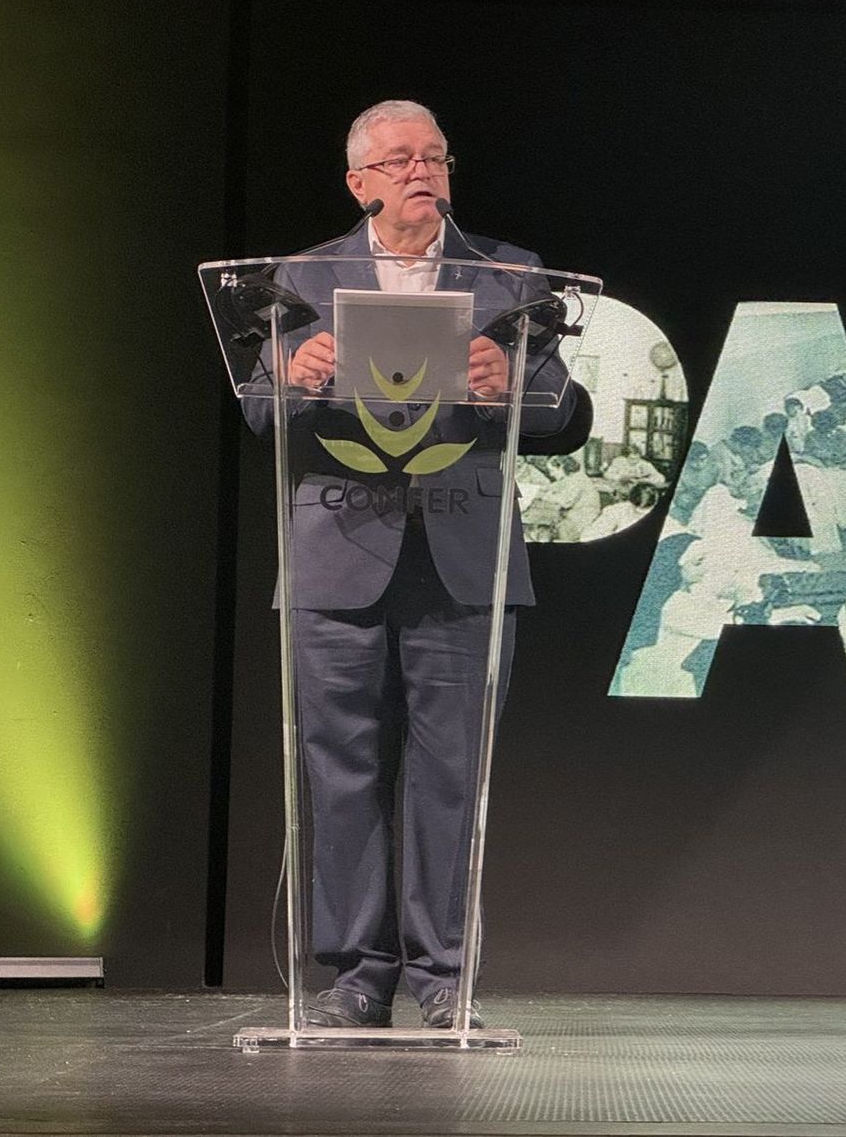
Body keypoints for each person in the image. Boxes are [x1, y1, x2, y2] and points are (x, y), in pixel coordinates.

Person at [240, 100, 588, 1030]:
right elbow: (261, 413)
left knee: (450, 772)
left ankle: (441, 976)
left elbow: (563, 409)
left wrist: (517, 385)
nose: (419, 172)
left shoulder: (508, 274)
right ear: (359, 183)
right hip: (336, 552)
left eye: (433, 157)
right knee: (341, 766)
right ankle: (359, 974)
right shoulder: (301, 278)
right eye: (397, 161)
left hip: (463, 551)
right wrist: (294, 370)